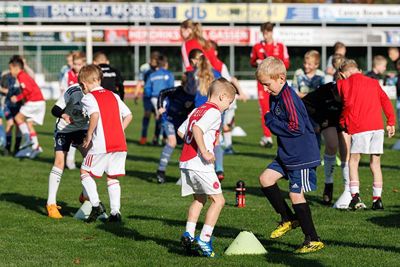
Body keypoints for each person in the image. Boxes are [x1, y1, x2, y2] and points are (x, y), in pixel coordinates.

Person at [257, 57, 324, 254]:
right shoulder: (275, 95)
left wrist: (270, 122)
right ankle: (288, 218)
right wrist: (272, 120)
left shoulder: (288, 97)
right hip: (287, 153)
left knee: (296, 194)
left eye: (267, 84)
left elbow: (296, 128)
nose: (265, 89)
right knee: (266, 179)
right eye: (263, 85)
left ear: (281, 78)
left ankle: (312, 239)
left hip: (301, 155)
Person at [178, 78, 236, 257]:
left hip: (186, 162)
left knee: (199, 199)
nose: (228, 107)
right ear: (222, 96)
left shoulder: (198, 109)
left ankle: (189, 233)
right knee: (219, 201)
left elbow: (182, 131)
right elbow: (196, 129)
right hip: (200, 163)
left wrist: (194, 145)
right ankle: (204, 239)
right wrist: (204, 151)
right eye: (229, 102)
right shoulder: (213, 112)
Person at [337, 59, 396, 210]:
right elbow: (386, 102)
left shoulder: (344, 83)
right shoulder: (373, 82)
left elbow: (347, 105)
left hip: (360, 126)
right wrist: (390, 122)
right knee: (375, 163)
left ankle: (355, 196)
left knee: (353, 161)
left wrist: (343, 122)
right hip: (377, 127)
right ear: (359, 71)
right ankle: (377, 200)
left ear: (343, 74)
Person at [79, 64, 132, 223]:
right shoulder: (114, 95)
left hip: (101, 144)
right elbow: (128, 115)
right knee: (112, 176)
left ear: (84, 84)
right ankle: (115, 212)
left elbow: (94, 115)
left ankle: (96, 205)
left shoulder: (88, 97)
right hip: (119, 143)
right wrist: (118, 131)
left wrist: (89, 135)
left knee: (84, 171)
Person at [302, 54, 352, 207]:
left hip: (345, 121)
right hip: (328, 120)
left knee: (347, 152)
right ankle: (328, 184)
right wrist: (317, 120)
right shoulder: (326, 89)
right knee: (331, 144)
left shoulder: (352, 89)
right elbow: (306, 102)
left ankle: (348, 190)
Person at [46, 83, 89, 219]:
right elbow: (55, 109)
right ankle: (51, 204)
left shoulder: (97, 92)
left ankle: (86, 196)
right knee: (59, 163)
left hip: (82, 129)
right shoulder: (73, 90)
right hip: (65, 129)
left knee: (90, 161)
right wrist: (64, 115)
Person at [250, 22, 290, 148]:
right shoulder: (257, 47)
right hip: (263, 84)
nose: (266, 35)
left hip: (278, 83)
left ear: (272, 32)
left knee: (282, 108)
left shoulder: (280, 46)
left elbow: (287, 64)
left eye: (268, 32)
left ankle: (283, 134)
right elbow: (251, 62)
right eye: (264, 32)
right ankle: (267, 137)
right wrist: (257, 62)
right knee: (265, 109)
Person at [155, 83, 196, 184]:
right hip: (168, 118)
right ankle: (161, 171)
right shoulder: (176, 90)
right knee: (171, 142)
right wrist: (160, 107)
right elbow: (162, 93)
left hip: (182, 122)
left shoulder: (195, 95)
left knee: (186, 145)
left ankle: (185, 174)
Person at [9, 55, 46, 158]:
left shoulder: (21, 76)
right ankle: (36, 147)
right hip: (40, 101)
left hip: (34, 101)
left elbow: (28, 90)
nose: (10, 71)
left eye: (10, 69)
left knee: (18, 118)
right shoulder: (23, 75)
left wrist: (17, 98)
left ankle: (28, 139)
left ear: (16, 68)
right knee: (29, 124)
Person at [61, 51, 86, 169]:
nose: (76, 66)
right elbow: (63, 90)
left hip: (85, 109)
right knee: (71, 133)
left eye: (79, 64)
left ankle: (91, 162)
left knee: (86, 135)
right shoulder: (67, 74)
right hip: (71, 109)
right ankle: (69, 161)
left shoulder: (87, 75)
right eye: (74, 64)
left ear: (84, 63)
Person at [144, 55, 175, 146]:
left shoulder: (152, 75)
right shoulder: (168, 74)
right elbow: (171, 88)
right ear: (166, 64)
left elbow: (147, 88)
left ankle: (157, 138)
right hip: (164, 98)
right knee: (165, 117)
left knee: (160, 117)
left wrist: (151, 95)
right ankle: (165, 138)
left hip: (154, 98)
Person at [136, 51, 160, 145]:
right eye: (152, 60)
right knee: (147, 114)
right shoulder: (146, 70)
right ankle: (143, 137)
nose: (153, 62)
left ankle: (156, 137)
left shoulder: (160, 71)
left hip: (157, 96)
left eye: (155, 60)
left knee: (158, 117)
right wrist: (137, 93)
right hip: (148, 96)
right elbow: (141, 81)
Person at [0, 71, 22, 156]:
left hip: (19, 105)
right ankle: (7, 148)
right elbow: (4, 89)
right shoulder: (6, 77)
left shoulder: (22, 77)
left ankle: (17, 148)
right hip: (7, 104)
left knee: (18, 126)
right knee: (10, 124)